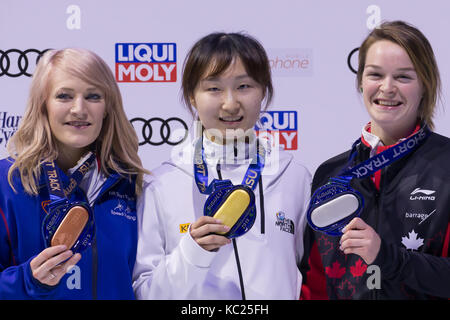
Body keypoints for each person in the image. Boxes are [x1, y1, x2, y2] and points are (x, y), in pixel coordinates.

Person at [132, 32, 311, 299]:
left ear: (264, 92)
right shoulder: (161, 184)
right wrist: (192, 253)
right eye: (213, 88)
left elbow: (311, 277)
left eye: (244, 86)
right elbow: (145, 293)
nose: (230, 103)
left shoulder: (295, 177)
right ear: (192, 96)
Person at [300, 21, 450, 299]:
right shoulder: (331, 174)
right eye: (375, 75)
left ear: (425, 85)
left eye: (404, 77)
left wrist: (387, 257)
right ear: (360, 81)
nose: (387, 87)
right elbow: (314, 281)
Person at [0, 48, 148, 299]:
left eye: (93, 96)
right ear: (43, 105)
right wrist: (27, 281)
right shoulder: (8, 182)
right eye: (64, 96)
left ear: (108, 107)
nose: (79, 109)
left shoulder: (129, 183)